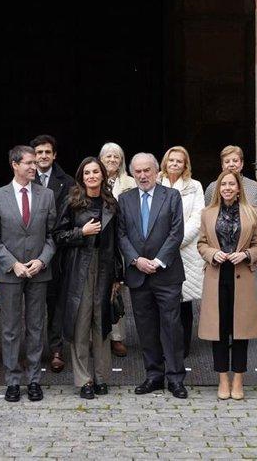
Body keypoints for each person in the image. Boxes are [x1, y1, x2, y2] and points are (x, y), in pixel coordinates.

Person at [0, 145, 57, 402]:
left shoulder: (46, 195)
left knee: (36, 328)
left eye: (34, 162)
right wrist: (12, 263)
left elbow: (52, 236)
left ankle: (34, 380)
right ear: (15, 165)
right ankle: (13, 381)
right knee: (11, 329)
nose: (33, 166)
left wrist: (42, 260)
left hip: (38, 272)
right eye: (28, 162)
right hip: (10, 273)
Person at [117, 152, 188, 399]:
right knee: (145, 328)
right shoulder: (124, 199)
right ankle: (154, 376)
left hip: (166, 274)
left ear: (157, 171)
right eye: (137, 171)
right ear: (132, 173)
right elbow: (121, 235)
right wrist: (137, 260)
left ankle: (176, 378)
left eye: (147, 170)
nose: (143, 175)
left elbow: (176, 232)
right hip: (138, 275)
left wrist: (157, 262)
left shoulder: (171, 196)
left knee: (171, 327)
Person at [54, 157, 122, 399]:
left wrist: (118, 276)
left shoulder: (111, 203)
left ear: (102, 175)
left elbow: (117, 243)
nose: (92, 176)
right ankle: (84, 380)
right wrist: (81, 232)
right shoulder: (72, 202)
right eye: (87, 173)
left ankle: (103, 378)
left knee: (102, 324)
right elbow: (58, 235)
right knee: (81, 325)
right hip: (79, 267)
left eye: (96, 172)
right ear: (81, 177)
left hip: (104, 268)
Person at [197, 171, 257, 401]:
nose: (226, 187)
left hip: (241, 275)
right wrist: (213, 253)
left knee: (240, 331)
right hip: (217, 276)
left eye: (231, 184)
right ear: (218, 188)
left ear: (238, 188)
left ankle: (238, 379)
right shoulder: (207, 213)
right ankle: (223, 379)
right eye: (223, 184)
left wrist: (245, 254)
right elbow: (201, 244)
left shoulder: (251, 212)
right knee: (219, 329)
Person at [31, 134, 75, 374]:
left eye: (47, 152)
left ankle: (57, 350)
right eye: (39, 153)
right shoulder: (24, 179)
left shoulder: (67, 182)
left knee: (57, 304)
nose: (43, 156)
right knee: (32, 305)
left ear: (54, 155)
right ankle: (34, 351)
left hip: (58, 254)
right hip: (29, 252)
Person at [158, 146, 205, 357]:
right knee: (160, 300)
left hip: (185, 249)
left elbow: (198, 218)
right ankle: (161, 345)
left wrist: (174, 242)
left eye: (179, 161)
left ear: (186, 165)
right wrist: (163, 245)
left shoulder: (195, 186)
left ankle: (183, 346)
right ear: (165, 163)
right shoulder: (156, 183)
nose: (175, 164)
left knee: (184, 301)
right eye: (171, 160)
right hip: (158, 250)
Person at [99, 142, 136, 358]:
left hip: (120, 243)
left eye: (117, 157)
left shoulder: (130, 183)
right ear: (101, 159)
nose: (112, 160)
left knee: (116, 292)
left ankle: (117, 338)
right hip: (98, 244)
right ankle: (98, 337)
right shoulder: (93, 178)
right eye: (108, 156)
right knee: (95, 292)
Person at [204, 145, 257, 237]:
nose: (231, 164)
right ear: (222, 165)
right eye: (227, 161)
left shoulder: (253, 186)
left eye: (235, 161)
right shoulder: (212, 188)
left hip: (249, 244)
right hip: (220, 244)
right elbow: (206, 218)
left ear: (242, 164)